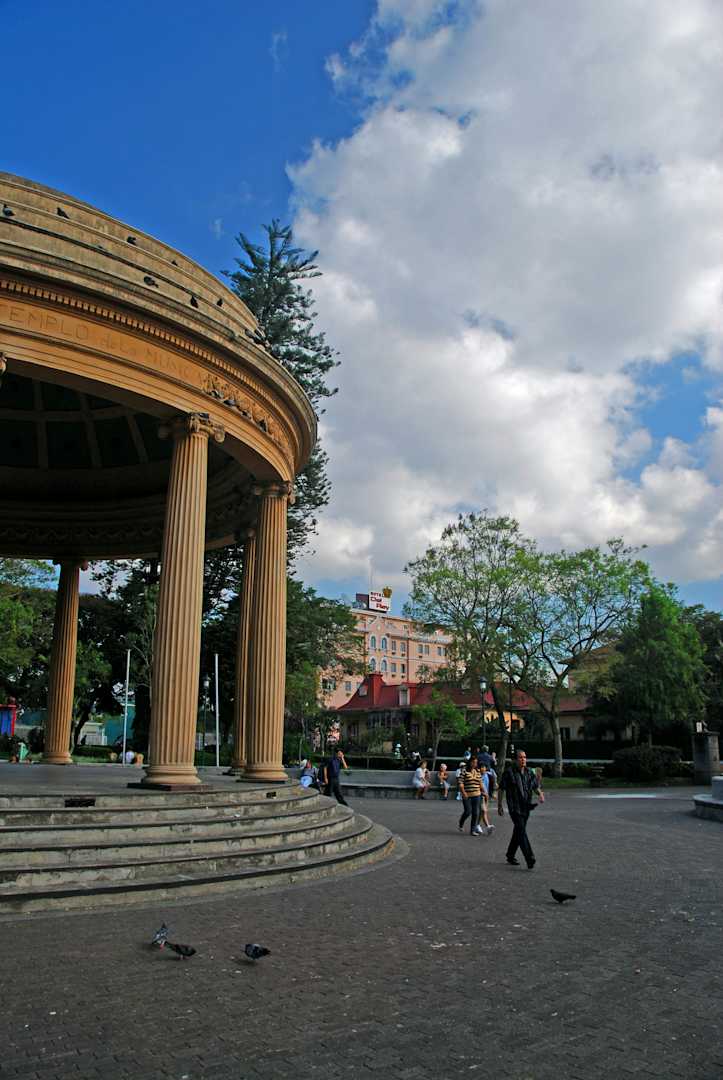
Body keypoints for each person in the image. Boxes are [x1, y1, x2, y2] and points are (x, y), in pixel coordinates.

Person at [497, 749, 544, 868]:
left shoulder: (529, 772)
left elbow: (535, 786)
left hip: (526, 807)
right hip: (514, 807)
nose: (523, 759)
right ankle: (530, 858)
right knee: (521, 831)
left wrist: (540, 794)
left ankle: (510, 854)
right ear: (515, 760)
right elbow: (501, 788)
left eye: (524, 757)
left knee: (518, 831)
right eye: (520, 757)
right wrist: (499, 805)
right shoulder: (509, 772)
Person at [458, 759, 485, 835]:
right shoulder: (464, 771)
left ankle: (472, 830)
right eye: (473, 762)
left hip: (477, 794)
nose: (475, 764)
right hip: (467, 795)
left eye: (476, 762)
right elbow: (460, 783)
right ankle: (461, 822)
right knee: (468, 811)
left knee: (476, 813)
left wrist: (484, 791)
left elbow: (480, 782)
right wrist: (463, 793)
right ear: (470, 762)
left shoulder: (478, 771)